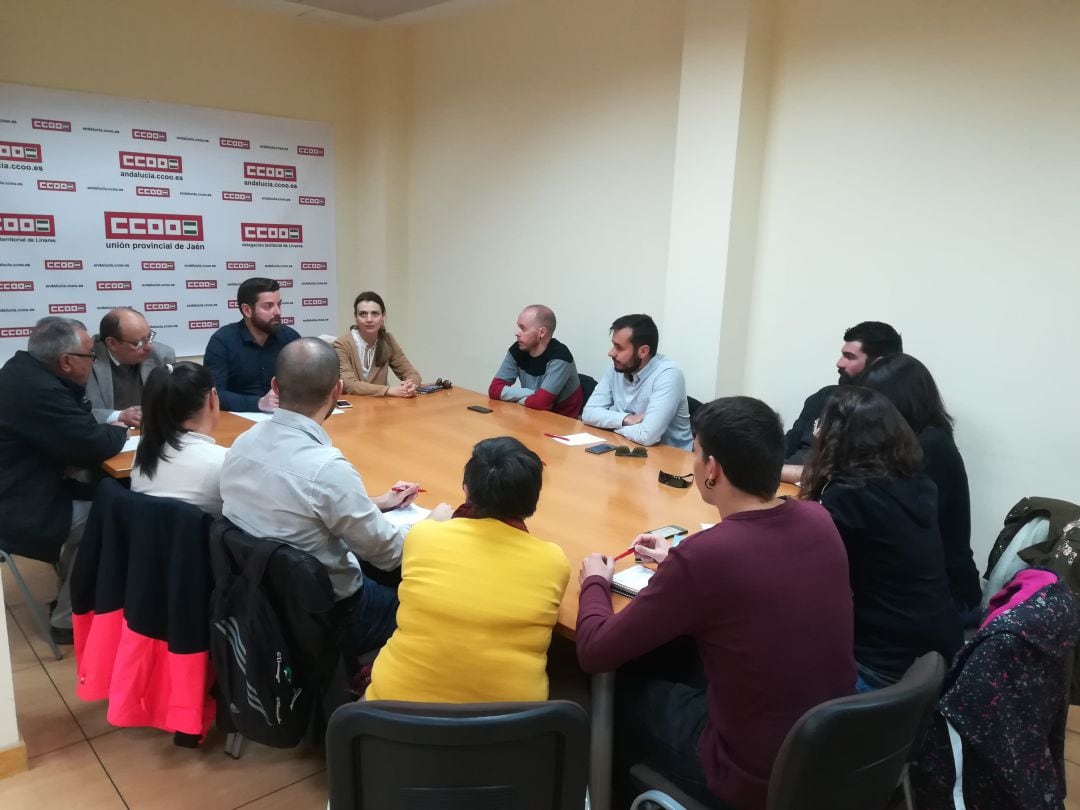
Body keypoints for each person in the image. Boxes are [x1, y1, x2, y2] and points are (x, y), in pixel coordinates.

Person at [576, 397, 855, 809]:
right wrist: (675, 561)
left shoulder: (708, 556)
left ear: (712, 470)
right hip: (828, 750)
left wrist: (596, 584)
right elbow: (754, 574)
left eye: (695, 452)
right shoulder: (818, 518)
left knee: (619, 685)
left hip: (750, 773)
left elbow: (594, 650)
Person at [220, 338, 452, 672]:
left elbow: (299, 504)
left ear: (274, 386)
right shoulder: (326, 468)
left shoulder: (242, 443)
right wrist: (436, 525)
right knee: (435, 599)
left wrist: (379, 503)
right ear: (338, 390)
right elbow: (390, 555)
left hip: (263, 602)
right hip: (333, 614)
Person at [367, 436, 570, 702]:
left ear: (466, 490)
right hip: (511, 732)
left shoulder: (423, 536)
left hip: (388, 719)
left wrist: (435, 522)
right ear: (534, 500)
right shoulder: (553, 561)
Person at [801, 386, 962, 691]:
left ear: (838, 438)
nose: (816, 432)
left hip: (880, 664)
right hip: (936, 652)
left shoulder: (848, 496)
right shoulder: (918, 484)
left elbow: (808, 579)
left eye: (821, 425)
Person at [0, 317, 127, 644]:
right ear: (66, 362)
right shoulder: (38, 390)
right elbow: (94, 444)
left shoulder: (24, 371)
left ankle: (73, 592)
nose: (94, 362)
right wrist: (121, 430)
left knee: (106, 495)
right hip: (19, 506)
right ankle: (68, 618)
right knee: (114, 517)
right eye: (90, 355)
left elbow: (80, 432)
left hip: (28, 486)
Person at [859, 353, 981, 618]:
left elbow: (893, 528)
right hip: (927, 583)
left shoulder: (928, 449)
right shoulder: (922, 439)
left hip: (947, 595)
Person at [781, 320, 902, 483]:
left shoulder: (888, 413)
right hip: (779, 488)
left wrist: (776, 472)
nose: (839, 363)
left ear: (878, 363)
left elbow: (846, 475)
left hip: (823, 495)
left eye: (849, 357)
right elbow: (785, 447)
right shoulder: (824, 396)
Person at [581, 314, 692, 450]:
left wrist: (610, 425)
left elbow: (647, 436)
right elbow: (588, 413)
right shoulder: (618, 366)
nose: (611, 353)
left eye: (619, 348)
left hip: (669, 461)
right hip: (626, 448)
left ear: (643, 351)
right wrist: (625, 419)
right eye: (613, 345)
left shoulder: (668, 374)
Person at [130, 362, 227, 517]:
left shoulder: (144, 452)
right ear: (212, 397)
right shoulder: (222, 461)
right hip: (199, 540)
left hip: (146, 540)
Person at [204, 277, 300, 413]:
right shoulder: (222, 341)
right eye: (268, 306)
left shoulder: (290, 338)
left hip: (284, 416)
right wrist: (258, 403)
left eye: (279, 304)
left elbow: (303, 383)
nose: (277, 312)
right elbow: (213, 394)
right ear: (247, 310)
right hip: (238, 419)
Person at [85, 307, 175, 428]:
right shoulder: (86, 361)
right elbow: (82, 412)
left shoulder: (162, 356)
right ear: (112, 343)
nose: (149, 347)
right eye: (139, 343)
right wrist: (119, 415)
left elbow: (172, 402)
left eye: (149, 337)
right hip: (109, 436)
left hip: (149, 432)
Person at [488, 305, 583, 417]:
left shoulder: (561, 356)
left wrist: (517, 398)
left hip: (561, 421)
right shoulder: (517, 349)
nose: (517, 333)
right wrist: (532, 393)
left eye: (523, 328)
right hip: (531, 414)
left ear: (541, 333)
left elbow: (541, 403)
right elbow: (494, 390)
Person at [334, 291, 422, 398]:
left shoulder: (387, 340)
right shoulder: (341, 344)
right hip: (353, 408)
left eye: (375, 314)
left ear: (383, 317)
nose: (369, 319)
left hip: (380, 407)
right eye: (363, 314)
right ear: (355, 318)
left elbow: (412, 373)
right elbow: (348, 385)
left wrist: (410, 385)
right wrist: (388, 390)